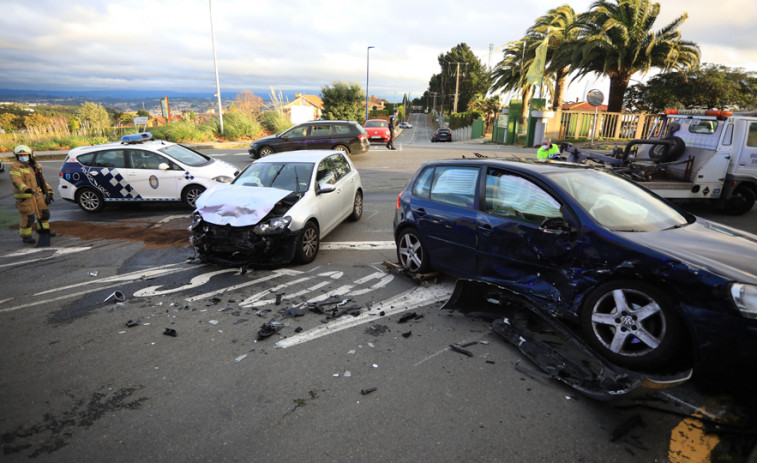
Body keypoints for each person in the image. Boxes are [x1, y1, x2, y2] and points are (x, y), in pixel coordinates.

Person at [9, 145, 53, 244]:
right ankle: (26, 236)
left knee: (44, 213)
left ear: (30, 155)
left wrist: (49, 192)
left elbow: (41, 180)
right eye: (20, 155)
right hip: (25, 196)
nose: (23, 156)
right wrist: (26, 189)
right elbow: (16, 180)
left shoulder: (35, 165)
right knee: (28, 217)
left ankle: (44, 232)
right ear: (17, 156)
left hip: (38, 193)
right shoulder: (15, 166)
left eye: (25, 154)